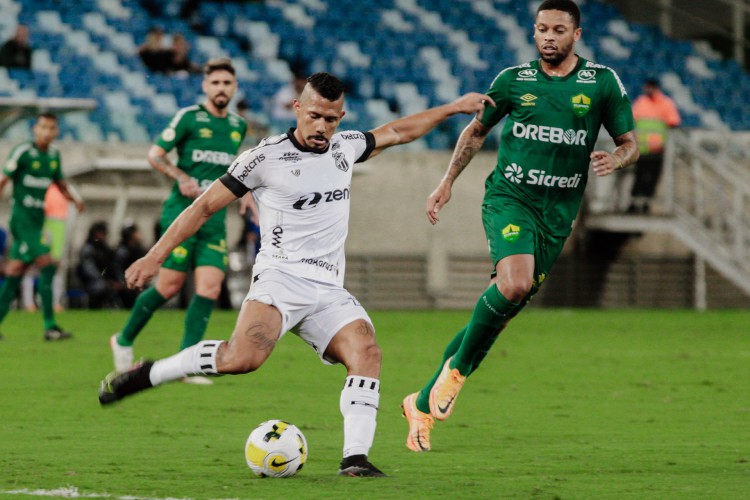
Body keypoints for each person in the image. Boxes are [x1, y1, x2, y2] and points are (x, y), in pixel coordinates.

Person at [97, 72, 491, 477]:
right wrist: (154, 256)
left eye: (332, 119)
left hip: (327, 289)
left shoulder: (346, 148)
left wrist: (452, 108)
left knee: (367, 352)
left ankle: (355, 459)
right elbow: (202, 207)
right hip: (279, 280)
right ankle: (150, 373)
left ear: (341, 117)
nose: (322, 127)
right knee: (241, 359)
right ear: (298, 109)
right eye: (315, 116)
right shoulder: (263, 158)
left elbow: (397, 130)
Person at [400, 0, 639, 453]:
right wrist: (446, 182)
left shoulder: (602, 83)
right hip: (511, 199)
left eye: (558, 30)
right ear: (534, 33)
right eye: (541, 29)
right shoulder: (512, 81)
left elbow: (631, 144)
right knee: (513, 285)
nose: (549, 37)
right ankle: (457, 375)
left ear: (576, 35)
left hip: (558, 214)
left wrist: (617, 157)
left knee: (501, 312)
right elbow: (475, 132)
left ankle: (422, 403)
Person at [108, 58, 248, 381]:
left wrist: (249, 196)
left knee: (210, 288)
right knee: (169, 285)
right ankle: (124, 338)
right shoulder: (188, 118)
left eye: (227, 83)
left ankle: (188, 363)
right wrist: (180, 175)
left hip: (214, 220)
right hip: (182, 214)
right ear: (205, 86)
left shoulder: (238, 126)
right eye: (216, 83)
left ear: (235, 87)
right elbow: (155, 154)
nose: (221, 88)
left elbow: (234, 172)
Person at [0, 113, 85, 340]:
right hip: (22, 221)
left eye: (51, 128)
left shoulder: (54, 156)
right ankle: (50, 327)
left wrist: (74, 199)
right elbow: (3, 178)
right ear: (34, 129)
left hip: (38, 221)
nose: (47, 132)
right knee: (47, 266)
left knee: (15, 273)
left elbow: (60, 182)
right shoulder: (23, 152)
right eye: (43, 127)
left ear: (56, 132)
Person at [627, 78, 681, 214]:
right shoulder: (641, 102)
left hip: (658, 149)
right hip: (642, 148)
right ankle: (633, 204)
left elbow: (674, 122)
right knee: (638, 177)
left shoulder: (666, 103)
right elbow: (631, 120)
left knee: (651, 179)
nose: (648, 90)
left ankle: (646, 205)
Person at [78, 221, 121, 309]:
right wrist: (106, 281)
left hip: (105, 280)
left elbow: (112, 266)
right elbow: (89, 271)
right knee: (101, 286)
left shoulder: (106, 249)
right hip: (91, 282)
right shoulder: (88, 249)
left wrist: (116, 280)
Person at [114, 222, 147, 308]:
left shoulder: (138, 249)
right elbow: (118, 269)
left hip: (136, 280)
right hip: (127, 282)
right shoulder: (122, 252)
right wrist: (123, 282)